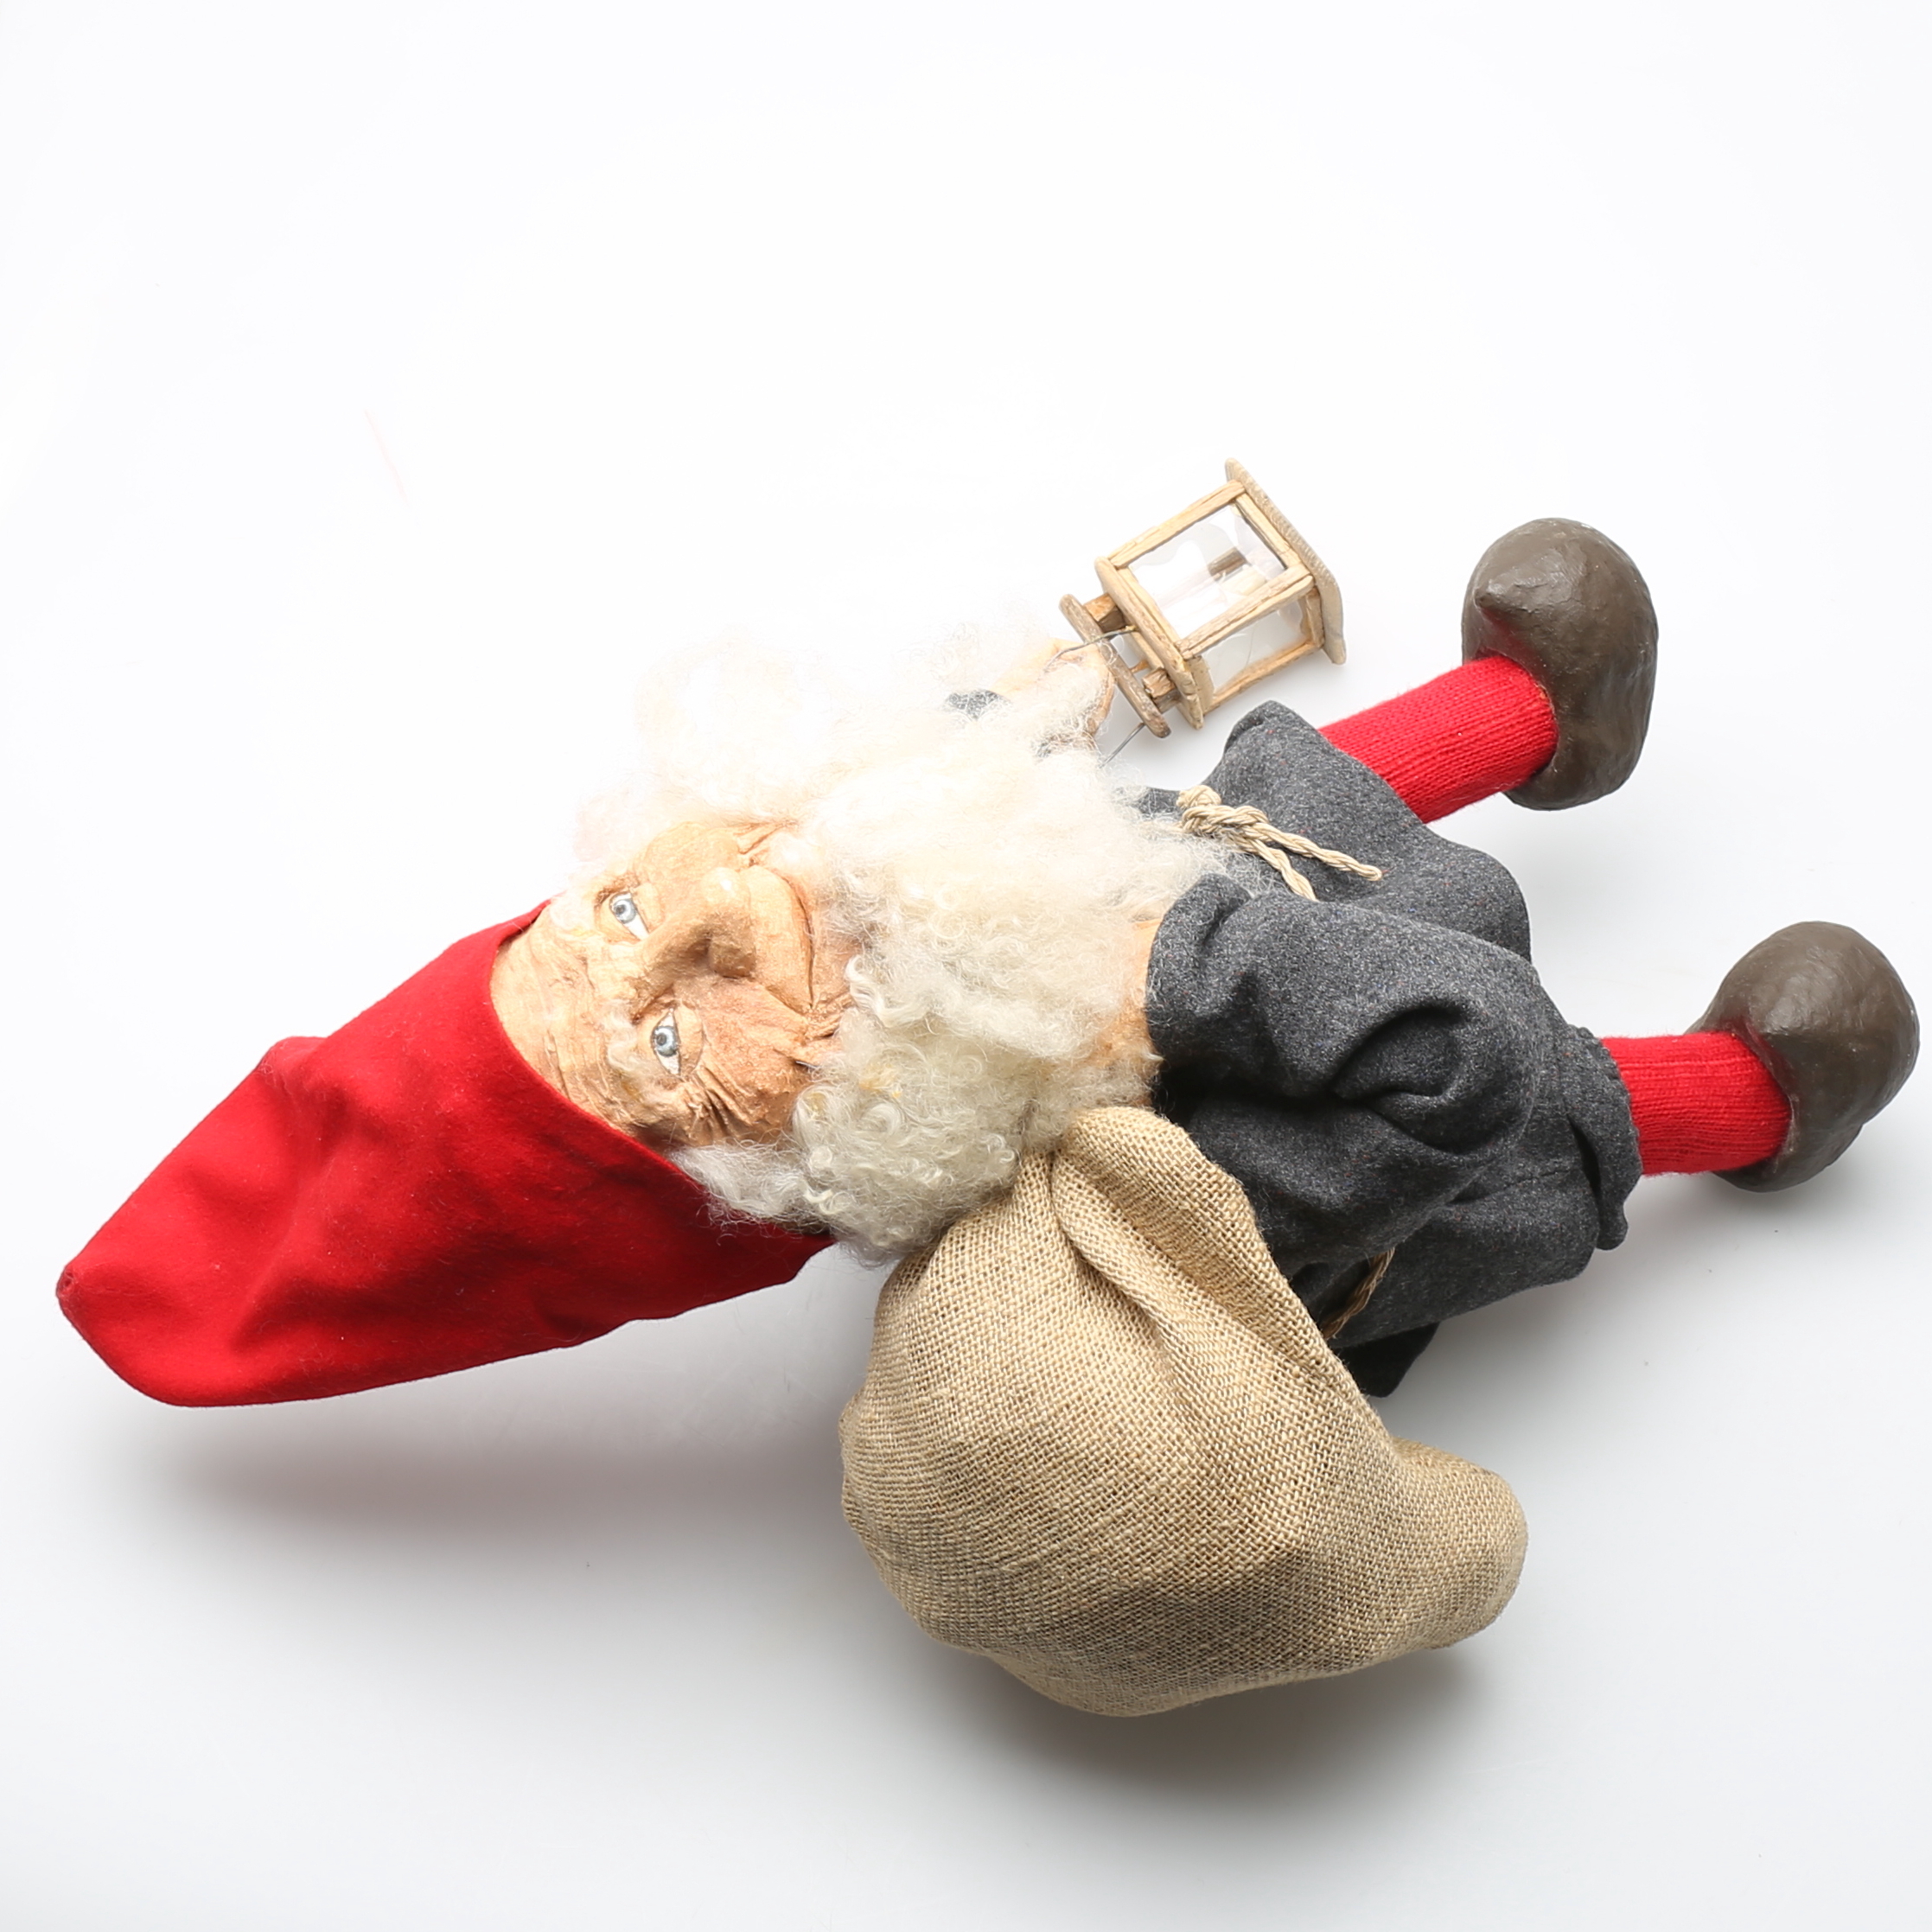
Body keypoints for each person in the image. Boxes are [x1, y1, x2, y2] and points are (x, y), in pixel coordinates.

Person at [59, 519, 1917, 1407]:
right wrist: (1183, 961)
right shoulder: (1099, 1126)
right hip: (1337, 1108)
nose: (692, 928)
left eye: (616, 918)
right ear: (755, 1183)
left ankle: (1535, 715)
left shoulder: (923, 932)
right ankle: (1759, 1096)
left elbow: (1002, 783)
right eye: (669, 1043)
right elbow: (1455, 1063)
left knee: (1273, 800)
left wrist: (1000, 737)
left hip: (1187, 909)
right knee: (1528, 1111)